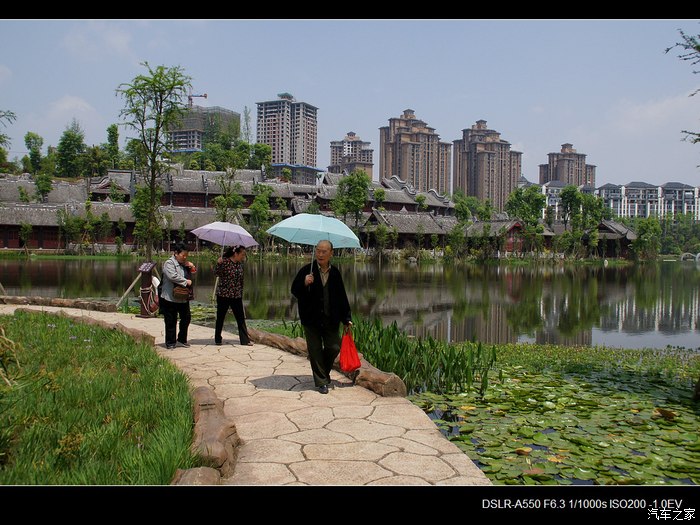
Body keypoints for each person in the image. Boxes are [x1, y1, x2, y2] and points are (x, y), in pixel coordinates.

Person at [291, 239, 352, 394]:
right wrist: (304, 283)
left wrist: (346, 318)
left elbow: (341, 297)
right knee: (315, 349)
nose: (320, 254)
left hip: (331, 318)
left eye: (324, 251)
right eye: (318, 250)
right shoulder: (307, 270)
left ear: (331, 253)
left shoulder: (335, 273)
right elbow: (294, 291)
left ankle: (322, 373)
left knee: (334, 346)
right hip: (311, 318)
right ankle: (321, 382)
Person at [214, 245, 253, 346]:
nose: (243, 257)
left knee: (240, 318)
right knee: (221, 317)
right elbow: (217, 273)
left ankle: (245, 340)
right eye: (242, 254)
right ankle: (218, 338)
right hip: (224, 294)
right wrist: (218, 264)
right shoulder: (225, 262)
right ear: (236, 254)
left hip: (236, 295)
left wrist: (240, 292)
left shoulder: (239, 265)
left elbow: (241, 280)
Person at [161, 242, 196, 349]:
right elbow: (173, 276)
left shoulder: (185, 263)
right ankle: (170, 342)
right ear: (176, 253)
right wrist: (186, 282)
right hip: (170, 297)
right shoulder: (169, 263)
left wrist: (191, 267)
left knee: (186, 318)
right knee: (171, 320)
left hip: (183, 297)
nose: (185, 257)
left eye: (186, 255)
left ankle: (181, 339)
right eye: (183, 255)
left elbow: (192, 273)